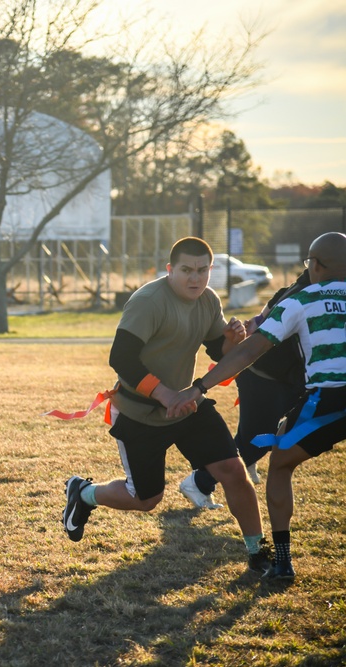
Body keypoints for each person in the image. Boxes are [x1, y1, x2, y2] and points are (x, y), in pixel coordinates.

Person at [62, 237, 271, 575]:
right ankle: (83, 494)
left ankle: (258, 553)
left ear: (210, 270)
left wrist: (233, 341)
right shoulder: (148, 301)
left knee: (233, 470)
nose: (195, 278)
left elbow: (218, 352)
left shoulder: (208, 299)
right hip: (139, 410)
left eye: (202, 270)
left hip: (186, 406)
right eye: (186, 270)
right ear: (170, 270)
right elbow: (121, 358)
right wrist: (166, 395)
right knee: (146, 500)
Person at [168, 232, 346, 581]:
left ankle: (281, 562)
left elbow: (250, 349)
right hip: (284, 385)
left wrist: (201, 386)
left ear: (315, 265)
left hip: (329, 399)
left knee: (279, 463)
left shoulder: (299, 299)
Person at [179, 270, 310, 509]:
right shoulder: (301, 292)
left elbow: (262, 317)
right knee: (256, 441)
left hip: (293, 379)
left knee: (268, 435)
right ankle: (199, 482)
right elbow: (264, 321)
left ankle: (243, 463)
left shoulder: (315, 289)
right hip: (265, 375)